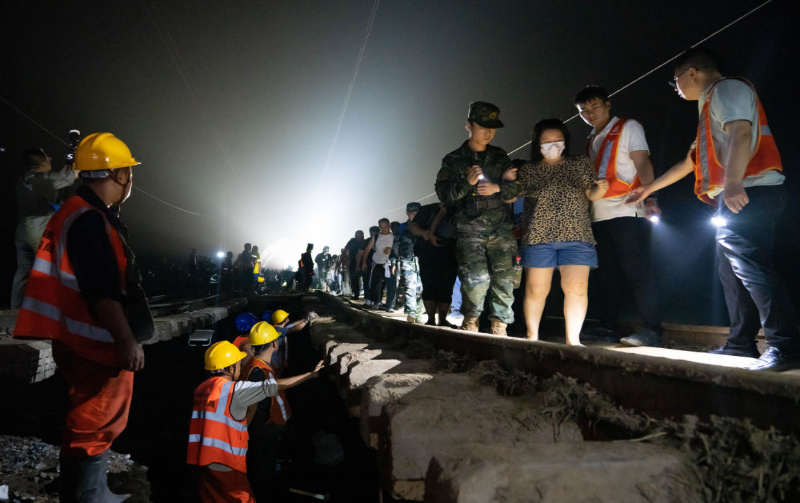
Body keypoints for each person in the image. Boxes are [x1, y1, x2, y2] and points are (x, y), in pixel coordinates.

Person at [627, 47, 798, 370]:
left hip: (750, 192)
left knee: (753, 269)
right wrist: (649, 188)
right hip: (737, 195)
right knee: (732, 273)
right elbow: (689, 162)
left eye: (676, 81)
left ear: (691, 73)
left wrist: (733, 183)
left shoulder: (726, 89)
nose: (676, 88)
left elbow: (741, 132)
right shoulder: (709, 106)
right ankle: (740, 344)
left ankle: (785, 345)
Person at [14, 133, 153, 501]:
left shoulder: (77, 211)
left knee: (92, 415)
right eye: (130, 172)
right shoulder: (90, 220)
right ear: (120, 174)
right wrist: (126, 340)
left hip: (77, 334)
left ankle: (93, 488)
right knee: (95, 418)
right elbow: (101, 288)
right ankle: (87, 494)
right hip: (96, 339)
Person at [575, 85, 664, 347]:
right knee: (606, 275)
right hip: (599, 215)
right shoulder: (591, 139)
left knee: (637, 271)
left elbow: (642, 161)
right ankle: (608, 326)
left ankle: (652, 329)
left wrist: (651, 198)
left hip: (627, 209)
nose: (590, 114)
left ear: (608, 104)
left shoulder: (628, 126)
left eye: (595, 106)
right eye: (583, 111)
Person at [516, 119, 608, 345]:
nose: (553, 144)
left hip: (577, 234)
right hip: (538, 236)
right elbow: (511, 196)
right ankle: (532, 337)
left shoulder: (579, 163)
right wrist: (506, 182)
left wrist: (600, 190)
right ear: (537, 143)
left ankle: (572, 340)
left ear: (566, 141)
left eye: (558, 140)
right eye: (547, 140)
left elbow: (591, 194)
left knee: (577, 288)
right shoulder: (528, 169)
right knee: (536, 289)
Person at [434, 101, 520, 335]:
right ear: (468, 126)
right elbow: (444, 194)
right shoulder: (454, 159)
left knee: (504, 277)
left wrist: (498, 187)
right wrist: (467, 183)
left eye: (492, 127)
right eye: (483, 126)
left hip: (500, 227)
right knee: (475, 279)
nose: (488, 132)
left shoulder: (500, 156)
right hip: (470, 227)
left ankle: (500, 325)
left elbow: (515, 189)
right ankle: (471, 320)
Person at [188, 341, 282, 502]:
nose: (240, 367)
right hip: (225, 462)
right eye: (238, 364)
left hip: (202, 459)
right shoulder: (233, 390)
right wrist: (309, 375)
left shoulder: (201, 389)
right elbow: (273, 387)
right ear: (230, 368)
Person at [242, 322, 323, 501]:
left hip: (267, 427)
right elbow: (275, 386)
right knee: (261, 473)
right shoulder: (256, 370)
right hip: (262, 430)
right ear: (273, 343)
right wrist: (310, 375)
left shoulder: (260, 365)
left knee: (265, 469)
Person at [11, 147, 77, 308]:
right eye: (48, 159)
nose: (49, 161)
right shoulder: (40, 180)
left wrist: (68, 163)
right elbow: (67, 179)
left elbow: (56, 180)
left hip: (22, 232)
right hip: (38, 232)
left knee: (23, 272)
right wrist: (79, 166)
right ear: (42, 163)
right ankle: (50, 307)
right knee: (49, 268)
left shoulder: (23, 179)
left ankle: (16, 308)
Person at [410, 202, 459, 326]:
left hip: (449, 253)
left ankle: (442, 320)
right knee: (429, 286)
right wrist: (425, 233)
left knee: (446, 288)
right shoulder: (428, 209)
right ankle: (431, 319)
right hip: (428, 253)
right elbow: (413, 228)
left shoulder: (457, 209)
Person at [360, 218, 397, 312]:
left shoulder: (394, 237)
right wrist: (364, 262)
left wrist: (391, 250)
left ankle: (390, 305)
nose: (383, 230)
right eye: (381, 228)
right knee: (376, 285)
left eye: (385, 227)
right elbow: (367, 250)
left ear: (389, 226)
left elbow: (398, 249)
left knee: (391, 285)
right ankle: (376, 302)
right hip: (377, 263)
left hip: (389, 263)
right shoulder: (376, 237)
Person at [398, 203, 424, 323]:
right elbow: (397, 244)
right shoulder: (402, 227)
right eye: (411, 213)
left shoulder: (425, 226)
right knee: (409, 287)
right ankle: (411, 313)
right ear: (407, 213)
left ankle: (419, 312)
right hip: (407, 261)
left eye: (416, 213)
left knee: (422, 289)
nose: (413, 215)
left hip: (422, 260)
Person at [344, 231, 367, 300]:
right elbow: (346, 251)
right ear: (355, 236)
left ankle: (367, 295)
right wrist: (347, 261)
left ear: (363, 236)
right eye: (357, 236)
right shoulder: (351, 242)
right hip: (353, 262)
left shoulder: (366, 242)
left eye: (360, 236)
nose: (359, 238)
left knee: (366, 279)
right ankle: (356, 294)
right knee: (354, 279)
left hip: (364, 262)